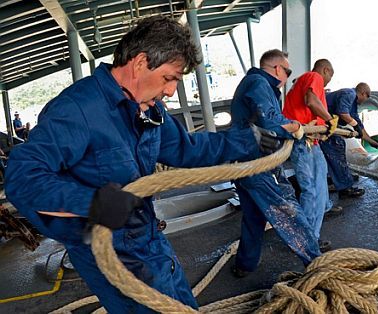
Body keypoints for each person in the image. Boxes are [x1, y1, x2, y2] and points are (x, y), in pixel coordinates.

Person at [5, 15, 280, 313]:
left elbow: (187, 149)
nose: (171, 91)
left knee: (183, 306)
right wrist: (94, 203)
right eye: (169, 78)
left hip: (149, 238)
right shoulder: (77, 110)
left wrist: (249, 140)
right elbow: (23, 178)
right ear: (139, 63)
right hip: (108, 252)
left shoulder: (147, 108)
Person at [229, 49, 321, 277]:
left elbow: (263, 122)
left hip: (244, 162)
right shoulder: (259, 83)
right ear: (278, 68)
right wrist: (295, 127)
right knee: (287, 207)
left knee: (253, 215)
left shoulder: (253, 83)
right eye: (288, 71)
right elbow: (270, 121)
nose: (288, 77)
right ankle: (318, 264)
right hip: (257, 163)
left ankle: (244, 265)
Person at [282, 59, 337, 252]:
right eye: (330, 77)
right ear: (326, 70)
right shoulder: (314, 77)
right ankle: (307, 240)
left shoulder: (302, 80)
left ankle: (311, 233)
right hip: (303, 143)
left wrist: (322, 129)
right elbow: (311, 101)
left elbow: (307, 109)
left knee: (319, 187)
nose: (328, 83)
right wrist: (331, 120)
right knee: (312, 190)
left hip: (311, 142)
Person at [321, 83, 378, 198]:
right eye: (366, 98)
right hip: (324, 125)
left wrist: (370, 140)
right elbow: (343, 113)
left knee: (333, 152)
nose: (364, 101)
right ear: (364, 93)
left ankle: (337, 178)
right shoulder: (350, 93)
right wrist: (355, 125)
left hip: (328, 125)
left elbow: (357, 122)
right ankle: (345, 188)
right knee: (337, 150)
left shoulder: (353, 103)